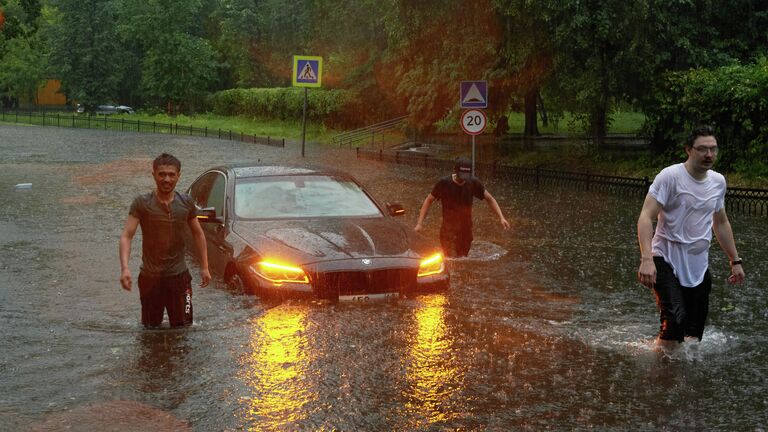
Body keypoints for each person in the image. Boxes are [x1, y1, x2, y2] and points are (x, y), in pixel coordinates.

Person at [637, 125, 745, 348]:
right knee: (674, 322)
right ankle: (661, 373)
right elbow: (646, 216)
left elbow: (721, 222)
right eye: (702, 149)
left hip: (697, 264)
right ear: (688, 149)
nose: (709, 155)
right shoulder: (670, 177)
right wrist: (647, 259)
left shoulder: (718, 182)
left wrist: (735, 261)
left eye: (713, 149)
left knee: (694, 334)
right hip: (664, 258)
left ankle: (687, 377)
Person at [119, 153, 211, 328]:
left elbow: (198, 234)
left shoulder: (186, 203)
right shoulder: (142, 203)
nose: (166, 179)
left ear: (178, 176)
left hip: (180, 278)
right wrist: (125, 268)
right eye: (162, 174)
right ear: (153, 174)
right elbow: (127, 236)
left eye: (171, 174)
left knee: (184, 327)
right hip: (150, 279)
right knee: (150, 328)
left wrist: (205, 267)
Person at [415, 156, 510, 257]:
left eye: (466, 176)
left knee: (463, 259)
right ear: (454, 171)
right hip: (448, 230)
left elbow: (490, 199)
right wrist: (420, 223)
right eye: (461, 176)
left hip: (466, 230)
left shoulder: (473, 183)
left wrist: (501, 217)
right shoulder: (444, 183)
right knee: (449, 260)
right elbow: (428, 200)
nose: (463, 180)